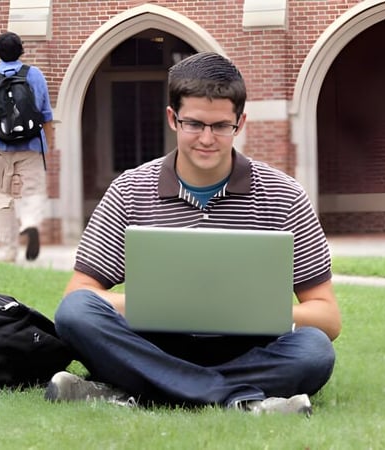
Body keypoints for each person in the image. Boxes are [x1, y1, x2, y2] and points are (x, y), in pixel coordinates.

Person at [45, 52, 341, 415]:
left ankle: (132, 391)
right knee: (75, 313)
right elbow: (80, 295)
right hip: (154, 343)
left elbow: (328, 316)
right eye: (194, 124)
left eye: (220, 126)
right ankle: (239, 399)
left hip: (248, 347)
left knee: (314, 350)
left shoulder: (284, 195)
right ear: (173, 118)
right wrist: (157, 306)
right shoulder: (130, 189)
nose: (207, 138)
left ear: (240, 122)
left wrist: (250, 312)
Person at [0, 32, 55, 262]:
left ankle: (9, 251)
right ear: (22, 51)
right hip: (31, 144)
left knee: (1, 197)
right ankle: (29, 223)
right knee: (34, 192)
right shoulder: (35, 75)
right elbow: (46, 114)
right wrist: (48, 146)